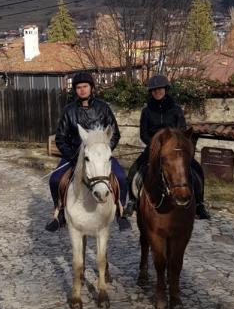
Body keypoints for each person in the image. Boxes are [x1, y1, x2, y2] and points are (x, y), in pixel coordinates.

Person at [46, 71, 130, 232]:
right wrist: (72, 155)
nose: (82, 90)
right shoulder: (68, 111)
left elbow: (115, 133)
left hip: (100, 157)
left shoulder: (103, 108)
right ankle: (60, 212)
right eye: (78, 87)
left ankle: (121, 212)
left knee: (121, 177)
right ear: (75, 90)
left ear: (91, 87)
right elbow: (60, 138)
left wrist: (103, 152)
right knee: (55, 179)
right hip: (74, 155)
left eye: (85, 86)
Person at [125, 74, 211, 220]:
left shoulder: (176, 109)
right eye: (154, 90)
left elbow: (182, 130)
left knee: (197, 169)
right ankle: (132, 201)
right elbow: (143, 134)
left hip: (174, 149)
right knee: (134, 169)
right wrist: (155, 146)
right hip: (154, 147)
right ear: (151, 92)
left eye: (160, 89)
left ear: (165, 90)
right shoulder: (146, 111)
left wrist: (173, 145)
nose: (157, 92)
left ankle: (199, 204)